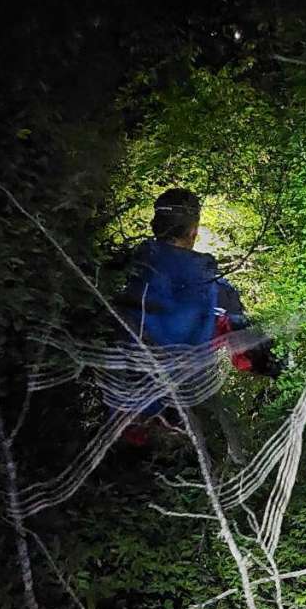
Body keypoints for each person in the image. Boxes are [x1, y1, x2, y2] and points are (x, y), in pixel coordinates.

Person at [116, 188, 280, 449]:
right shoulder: (214, 289)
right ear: (193, 232)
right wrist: (275, 367)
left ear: (154, 225)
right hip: (179, 421)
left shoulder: (122, 270)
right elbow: (245, 352)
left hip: (121, 417)